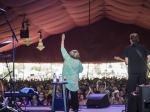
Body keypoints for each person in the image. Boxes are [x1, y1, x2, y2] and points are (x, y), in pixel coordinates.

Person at [61, 33, 83, 112]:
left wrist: (62, 39)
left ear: (70, 54)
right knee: (74, 96)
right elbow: (81, 70)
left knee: (65, 95)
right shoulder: (78, 62)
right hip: (73, 81)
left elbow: (62, 48)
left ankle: (65, 107)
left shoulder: (67, 58)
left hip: (65, 80)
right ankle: (75, 109)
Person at [123, 33, 150, 97]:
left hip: (132, 72)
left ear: (130, 40)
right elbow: (149, 57)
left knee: (131, 89)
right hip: (142, 71)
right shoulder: (143, 47)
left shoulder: (127, 49)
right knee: (142, 89)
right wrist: (146, 62)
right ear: (138, 40)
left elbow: (126, 62)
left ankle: (131, 105)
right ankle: (142, 105)